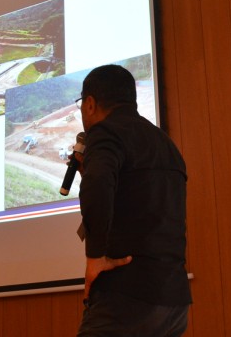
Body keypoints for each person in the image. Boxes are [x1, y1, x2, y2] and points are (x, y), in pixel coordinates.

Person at [76, 64, 191, 337]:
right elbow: (139, 198)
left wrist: (95, 257)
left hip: (127, 296)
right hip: (173, 303)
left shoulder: (104, 133)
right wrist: (88, 169)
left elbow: (98, 183)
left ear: (90, 104)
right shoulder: (165, 143)